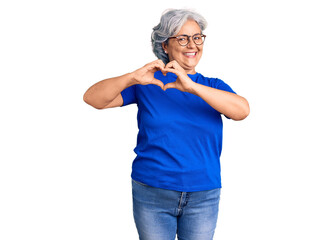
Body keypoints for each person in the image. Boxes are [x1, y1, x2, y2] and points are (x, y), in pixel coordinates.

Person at [83, 8, 249, 240]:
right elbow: (93, 98)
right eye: (182, 38)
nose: (192, 45)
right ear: (165, 46)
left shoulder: (212, 87)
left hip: (203, 194)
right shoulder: (148, 83)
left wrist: (192, 86)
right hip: (152, 191)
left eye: (197, 37)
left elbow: (242, 111)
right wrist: (131, 77)